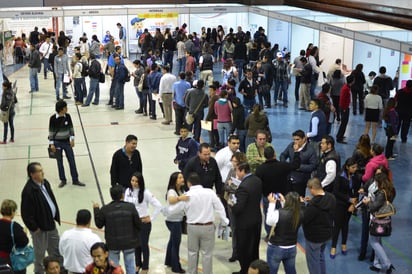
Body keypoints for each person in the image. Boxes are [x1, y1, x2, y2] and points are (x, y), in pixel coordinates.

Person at [167, 172, 229, 274]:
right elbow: (220, 207)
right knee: (207, 254)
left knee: (192, 253)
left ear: (189, 183)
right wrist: (224, 221)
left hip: (192, 227)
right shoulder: (210, 192)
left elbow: (174, 210)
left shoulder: (187, 195)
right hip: (208, 227)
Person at [21, 162, 63, 273]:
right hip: (40, 229)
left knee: (55, 251)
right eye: (39, 171)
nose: (42, 172)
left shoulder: (45, 183)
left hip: (50, 224)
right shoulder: (29, 191)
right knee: (40, 255)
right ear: (32, 174)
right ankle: (39, 272)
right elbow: (26, 214)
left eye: (41, 170)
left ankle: (58, 270)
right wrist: (35, 228)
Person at [93, 185, 141, 274]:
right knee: (130, 265)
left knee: (113, 268)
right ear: (122, 195)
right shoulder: (130, 207)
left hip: (113, 244)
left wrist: (96, 209)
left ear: (111, 196)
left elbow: (99, 224)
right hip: (129, 243)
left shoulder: (105, 209)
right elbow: (138, 224)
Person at [256, 145, 301, 238]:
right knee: (283, 215)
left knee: (269, 215)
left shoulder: (260, 169)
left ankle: (270, 235)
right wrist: (296, 152)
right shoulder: (282, 166)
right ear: (274, 155)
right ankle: (282, 233)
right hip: (282, 197)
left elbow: (258, 184)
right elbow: (296, 165)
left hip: (268, 197)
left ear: (265, 156)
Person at [124, 172, 162, 274]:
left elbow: (158, 205)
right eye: (132, 181)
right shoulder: (128, 191)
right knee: (136, 245)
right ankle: (138, 264)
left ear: (140, 182)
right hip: (133, 223)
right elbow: (126, 205)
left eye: (136, 181)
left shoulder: (146, 193)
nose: (134, 183)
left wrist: (151, 218)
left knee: (143, 244)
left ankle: (145, 266)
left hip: (143, 223)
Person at [230, 163, 262, 274]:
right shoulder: (257, 180)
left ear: (243, 171)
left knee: (244, 249)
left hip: (244, 223)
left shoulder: (243, 187)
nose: (236, 173)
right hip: (256, 220)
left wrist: (232, 205)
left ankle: (245, 271)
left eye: (237, 170)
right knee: (254, 249)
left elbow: (239, 208)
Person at [362, 173, 396, 274]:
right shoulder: (391, 190)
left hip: (378, 220)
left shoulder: (381, 193)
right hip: (386, 219)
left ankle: (386, 264)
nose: (375, 183)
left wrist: (368, 202)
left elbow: (373, 207)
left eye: (376, 182)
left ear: (380, 182)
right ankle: (377, 264)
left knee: (373, 241)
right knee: (378, 240)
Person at [302, 178, 336, 274]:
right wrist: (312, 201)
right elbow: (322, 204)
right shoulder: (331, 197)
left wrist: (302, 205)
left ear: (312, 188)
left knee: (313, 262)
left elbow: (304, 219)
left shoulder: (313, 206)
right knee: (321, 258)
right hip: (327, 234)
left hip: (314, 238)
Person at [48, 100, 84, 187]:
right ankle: (63, 180)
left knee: (72, 161)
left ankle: (75, 179)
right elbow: (51, 132)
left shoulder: (67, 116)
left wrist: (72, 139)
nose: (67, 109)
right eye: (65, 107)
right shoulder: (53, 118)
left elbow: (71, 128)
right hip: (57, 143)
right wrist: (52, 144)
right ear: (61, 109)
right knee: (59, 162)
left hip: (67, 143)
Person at [330, 157, 360, 259]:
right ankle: (333, 246)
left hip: (349, 205)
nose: (355, 169)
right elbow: (336, 191)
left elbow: (356, 191)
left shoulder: (356, 177)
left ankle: (344, 244)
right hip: (339, 204)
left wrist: (353, 204)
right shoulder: (340, 176)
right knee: (337, 225)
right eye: (353, 167)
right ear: (347, 167)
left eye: (356, 167)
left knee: (345, 224)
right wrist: (348, 199)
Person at [266, 192, 302, 274]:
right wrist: (283, 202)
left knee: (271, 271)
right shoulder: (300, 214)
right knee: (291, 271)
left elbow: (269, 221)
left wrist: (272, 204)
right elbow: (288, 213)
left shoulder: (279, 213)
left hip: (277, 247)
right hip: (292, 247)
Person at [280, 129, 318, 197]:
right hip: (288, 178)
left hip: (301, 181)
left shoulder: (310, 150)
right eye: (294, 139)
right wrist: (285, 165)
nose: (295, 142)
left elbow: (313, 166)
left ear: (304, 139)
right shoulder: (291, 146)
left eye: (297, 139)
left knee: (298, 201)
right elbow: (283, 155)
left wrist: (298, 167)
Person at [164, 172, 189, 274]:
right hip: (173, 221)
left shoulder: (182, 190)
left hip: (177, 219)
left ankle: (169, 261)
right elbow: (171, 200)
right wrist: (180, 198)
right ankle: (176, 267)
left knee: (172, 241)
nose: (182, 179)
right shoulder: (171, 191)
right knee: (176, 244)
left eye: (182, 177)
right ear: (174, 180)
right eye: (179, 178)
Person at [0, 199, 29, 274]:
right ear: (12, 212)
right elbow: (24, 242)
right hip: (8, 260)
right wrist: (25, 233)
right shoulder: (14, 226)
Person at [336, 75, 353, 144]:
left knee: (345, 122)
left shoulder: (347, 87)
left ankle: (341, 135)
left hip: (345, 107)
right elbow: (342, 99)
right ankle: (339, 137)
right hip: (344, 108)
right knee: (344, 122)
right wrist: (344, 108)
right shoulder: (346, 88)